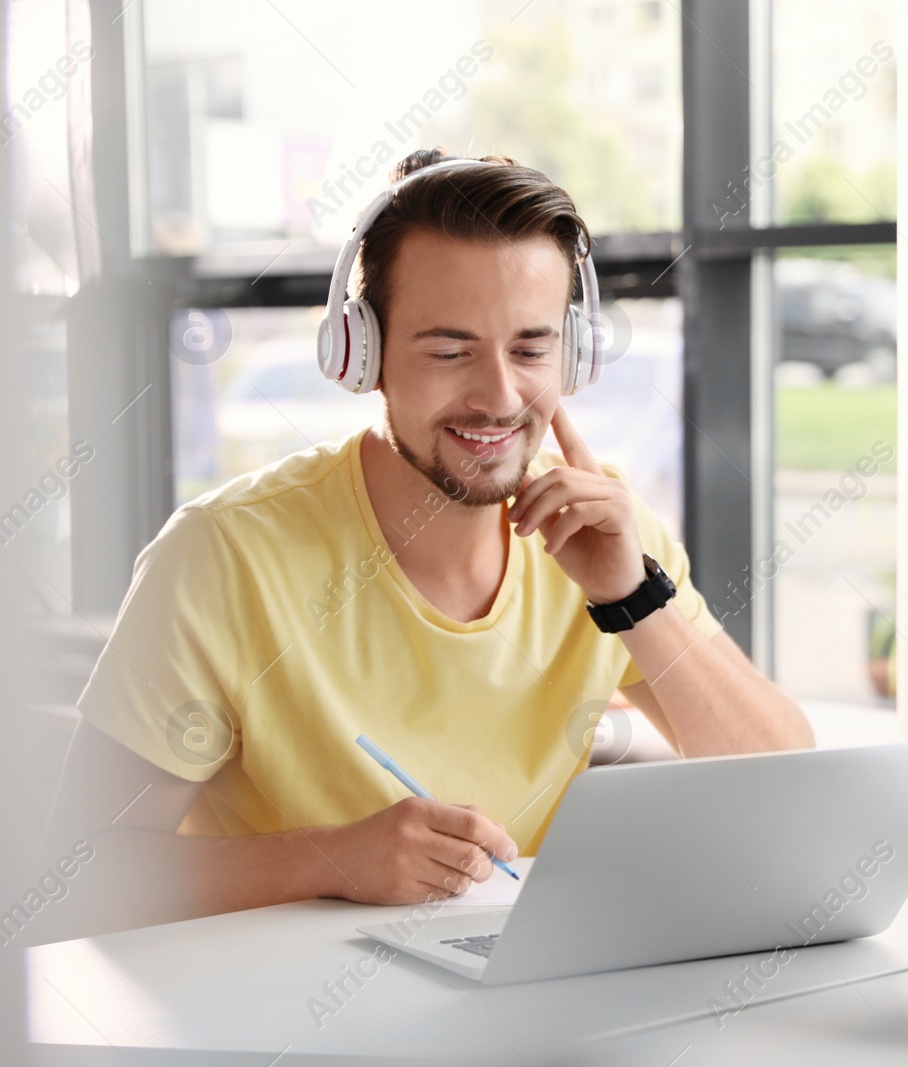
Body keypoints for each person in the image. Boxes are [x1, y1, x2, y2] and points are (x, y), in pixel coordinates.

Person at [38, 150, 812, 933]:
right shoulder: (224, 554)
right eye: (449, 351)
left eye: (532, 349)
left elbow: (791, 791)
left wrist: (634, 599)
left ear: (573, 354)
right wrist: (332, 859)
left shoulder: (605, 531)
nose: (500, 396)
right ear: (361, 353)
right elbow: (69, 874)